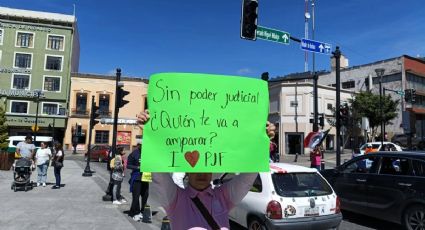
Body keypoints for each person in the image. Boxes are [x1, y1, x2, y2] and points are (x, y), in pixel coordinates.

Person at [137, 110, 275, 229]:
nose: (201, 173)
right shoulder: (176, 199)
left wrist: (261, 141)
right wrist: (149, 133)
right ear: (187, 171)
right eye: (196, 168)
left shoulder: (223, 197)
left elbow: (247, 178)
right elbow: (159, 175)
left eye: (206, 168)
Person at [127, 140, 150, 222]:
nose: (143, 147)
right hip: (136, 177)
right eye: (142, 145)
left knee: (145, 195)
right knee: (136, 197)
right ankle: (135, 213)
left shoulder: (148, 153)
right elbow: (128, 165)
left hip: (146, 177)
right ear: (138, 145)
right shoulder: (134, 154)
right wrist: (137, 168)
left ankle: (142, 211)